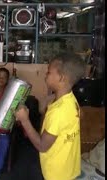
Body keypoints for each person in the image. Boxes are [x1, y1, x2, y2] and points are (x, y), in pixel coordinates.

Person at [14, 52, 86, 180]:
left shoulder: (59, 111)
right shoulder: (70, 99)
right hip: (68, 168)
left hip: (57, 174)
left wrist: (25, 120)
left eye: (49, 72)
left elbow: (42, 146)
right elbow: (77, 116)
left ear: (62, 78)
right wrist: (49, 101)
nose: (45, 75)